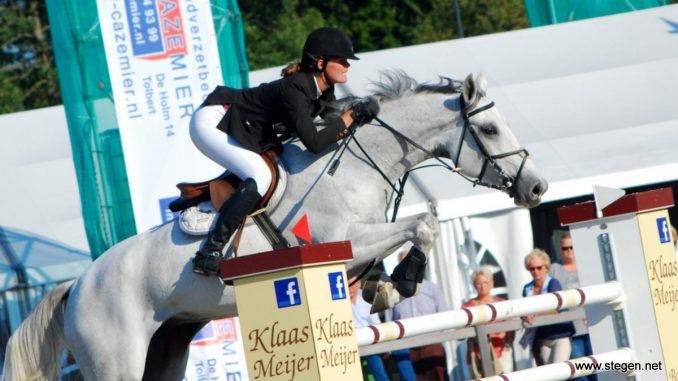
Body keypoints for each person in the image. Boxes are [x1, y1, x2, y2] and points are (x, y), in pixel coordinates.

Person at [189, 27, 379, 275]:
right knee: (261, 176)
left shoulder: (323, 91)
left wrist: (359, 115)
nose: (347, 65)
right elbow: (315, 142)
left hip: (242, 126)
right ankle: (209, 252)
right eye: (341, 60)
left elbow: (331, 127)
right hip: (214, 121)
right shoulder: (296, 88)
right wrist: (351, 115)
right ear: (320, 62)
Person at [389, 251, 449, 381]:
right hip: (407, 349)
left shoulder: (432, 288)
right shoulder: (393, 292)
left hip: (432, 346)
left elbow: (444, 314)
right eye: (404, 263)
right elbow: (389, 321)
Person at [549, 233, 597, 381]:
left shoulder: (586, 265)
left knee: (598, 368)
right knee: (580, 372)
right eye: (565, 248)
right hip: (570, 329)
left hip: (593, 325)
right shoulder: (554, 269)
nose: (569, 251)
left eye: (572, 247)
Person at [350, 276, 417, 381]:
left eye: (352, 284)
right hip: (361, 342)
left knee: (399, 348)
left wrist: (385, 345)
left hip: (374, 334)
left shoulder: (366, 296)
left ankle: (409, 379)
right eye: (348, 285)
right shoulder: (340, 302)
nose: (350, 288)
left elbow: (376, 322)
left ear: (359, 283)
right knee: (374, 358)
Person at [521, 249, 574, 366]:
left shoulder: (553, 283)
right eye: (532, 268)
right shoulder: (527, 288)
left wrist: (534, 314)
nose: (536, 271)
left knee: (560, 373)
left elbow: (557, 309)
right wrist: (524, 316)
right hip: (542, 338)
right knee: (550, 375)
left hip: (561, 334)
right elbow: (523, 311)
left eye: (539, 267)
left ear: (546, 267)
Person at [462, 267, 514, 377]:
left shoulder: (501, 303)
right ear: (474, 285)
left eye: (485, 282)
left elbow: (511, 325)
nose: (482, 286)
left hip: (500, 352)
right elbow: (461, 331)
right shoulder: (467, 307)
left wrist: (507, 345)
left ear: (492, 283)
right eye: (479, 283)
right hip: (477, 354)